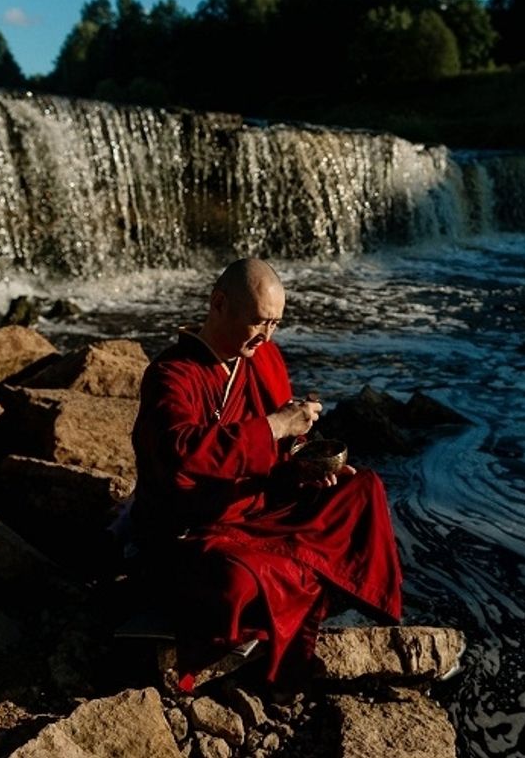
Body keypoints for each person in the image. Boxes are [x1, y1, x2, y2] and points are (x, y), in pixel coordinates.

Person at [129, 257, 403, 684]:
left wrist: (304, 468)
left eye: (275, 323)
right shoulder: (170, 375)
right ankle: (308, 593)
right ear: (218, 304)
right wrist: (276, 424)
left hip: (261, 507)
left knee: (363, 488)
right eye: (259, 322)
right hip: (199, 529)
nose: (268, 335)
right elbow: (184, 453)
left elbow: (283, 452)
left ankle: (301, 587)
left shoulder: (265, 357)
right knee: (235, 581)